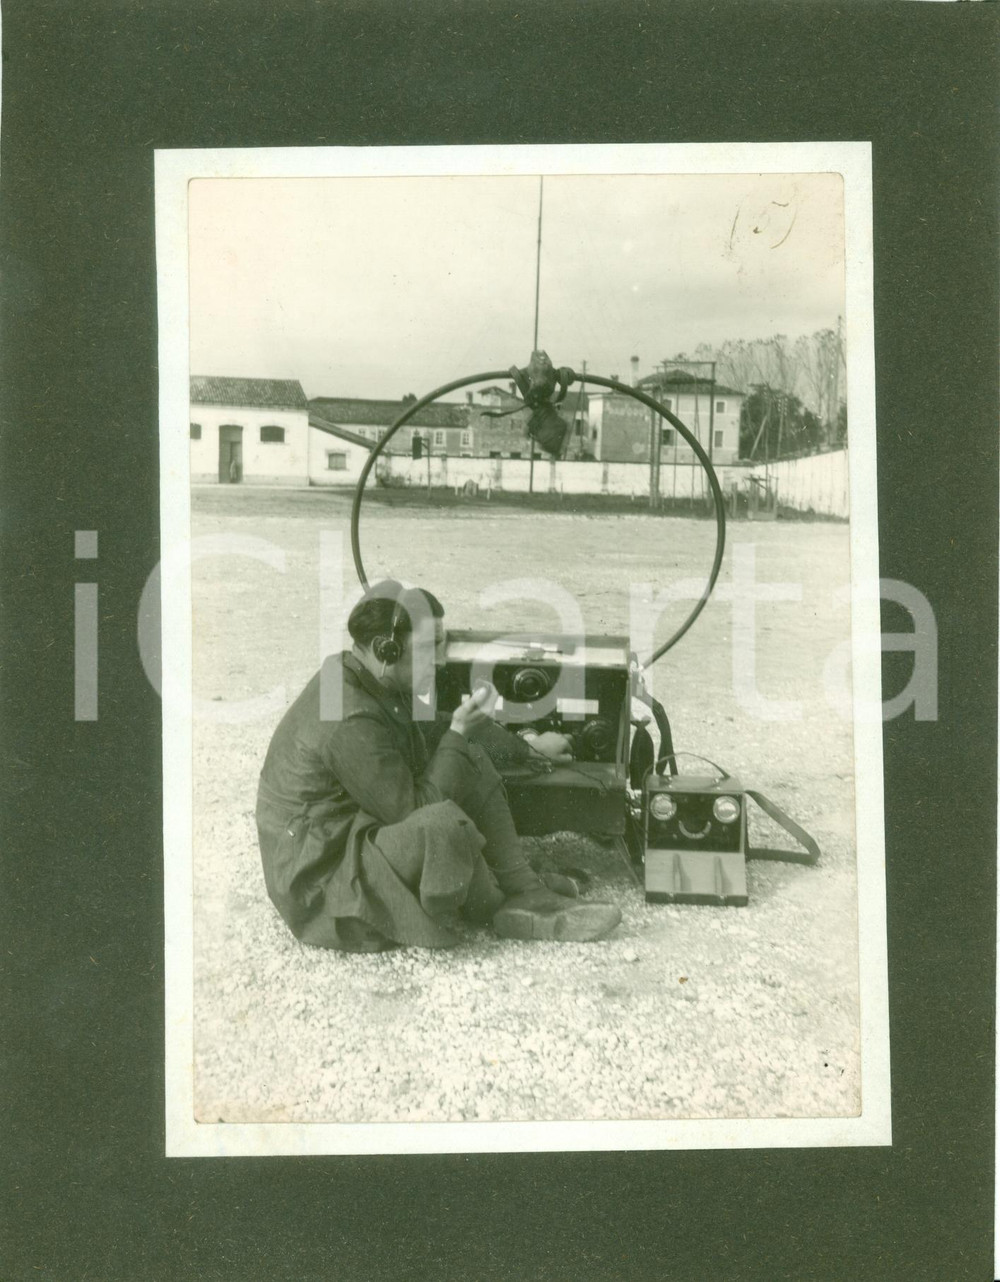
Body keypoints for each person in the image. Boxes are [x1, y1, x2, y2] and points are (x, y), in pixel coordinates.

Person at [255, 579, 622, 951]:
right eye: (431, 646)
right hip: (321, 879)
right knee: (442, 824)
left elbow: (435, 725)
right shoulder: (347, 718)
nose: (441, 659)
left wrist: (527, 749)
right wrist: (461, 733)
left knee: (468, 755)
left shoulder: (365, 676)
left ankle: (522, 886)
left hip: (345, 834)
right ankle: (499, 904)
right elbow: (415, 810)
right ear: (387, 649)